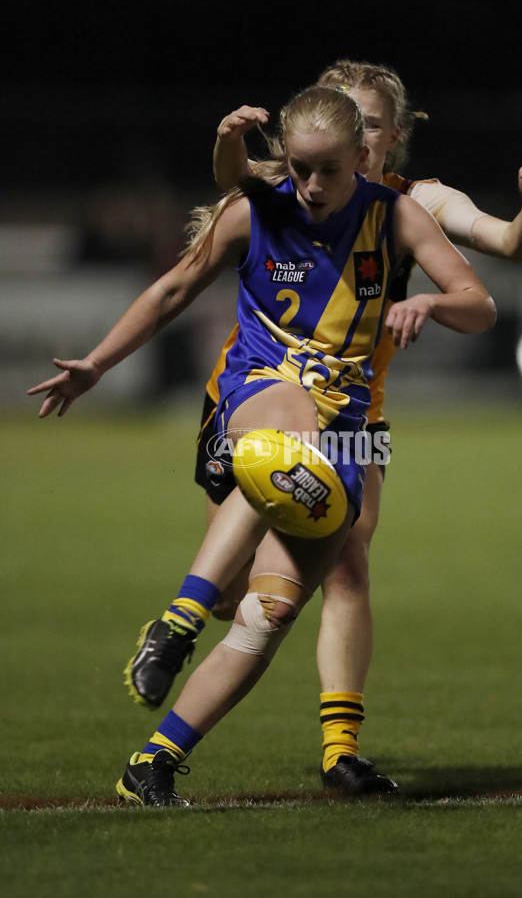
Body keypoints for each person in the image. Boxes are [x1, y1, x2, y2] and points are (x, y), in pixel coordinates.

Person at [30, 84, 496, 806]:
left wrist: (432, 300)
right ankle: (177, 620)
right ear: (284, 158)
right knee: (290, 436)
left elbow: (481, 302)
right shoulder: (254, 210)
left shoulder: (396, 214)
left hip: (349, 434)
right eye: (300, 168)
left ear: (363, 158)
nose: (311, 186)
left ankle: (153, 762)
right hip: (257, 393)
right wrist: (96, 362)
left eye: (329, 171)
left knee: (269, 614)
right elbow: (171, 291)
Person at [122, 61, 522, 795]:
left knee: (342, 567)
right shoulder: (301, 182)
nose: (356, 131)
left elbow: (506, 249)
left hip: (357, 418)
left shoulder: (416, 203)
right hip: (260, 395)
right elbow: (233, 189)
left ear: (388, 137)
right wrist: (228, 146)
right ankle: (188, 616)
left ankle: (338, 748)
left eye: (372, 121)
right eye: (345, 116)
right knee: (241, 594)